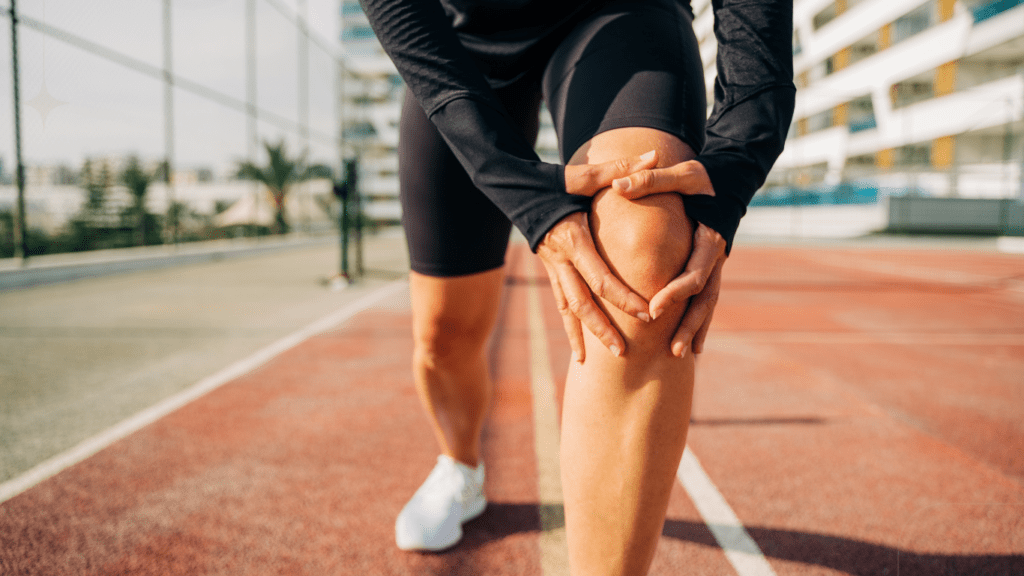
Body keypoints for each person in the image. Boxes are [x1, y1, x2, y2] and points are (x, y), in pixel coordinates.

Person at [359, 0, 795, 573]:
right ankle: (460, 467)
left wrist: (740, 149)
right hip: (463, 38)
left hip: (620, 14)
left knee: (645, 247)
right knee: (443, 334)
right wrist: (525, 195)